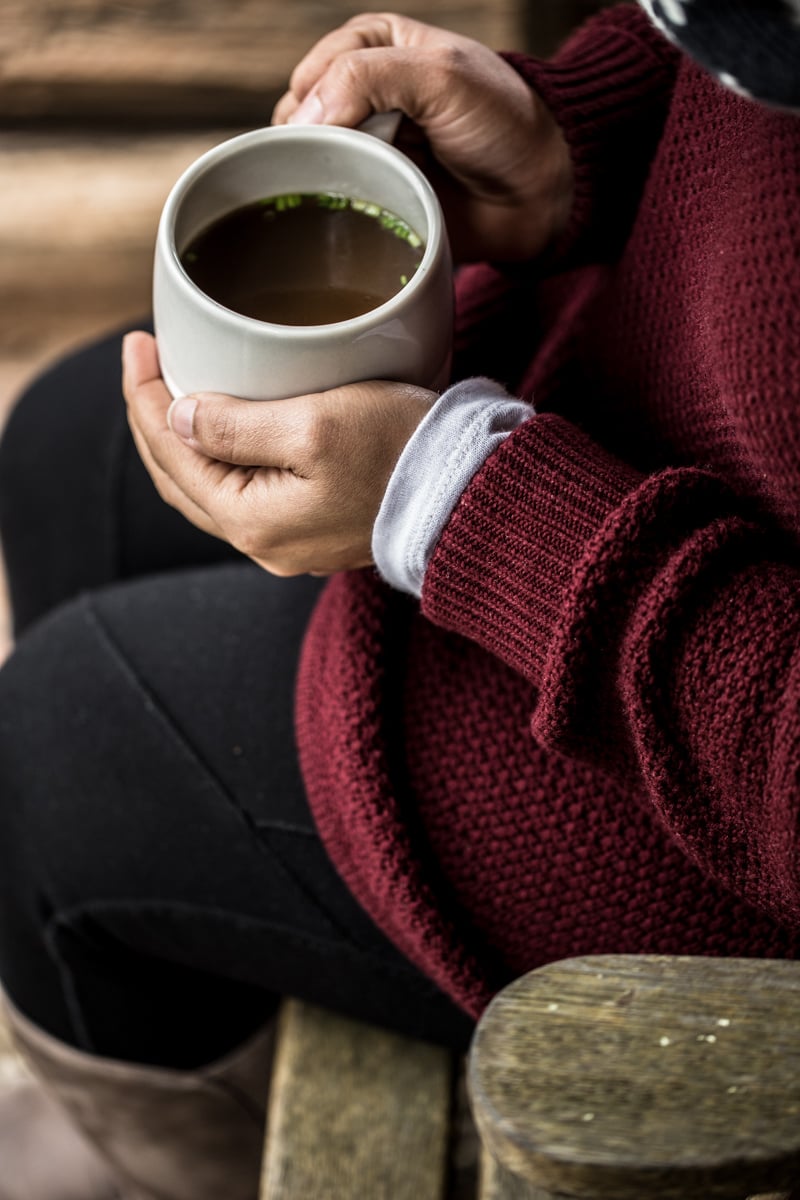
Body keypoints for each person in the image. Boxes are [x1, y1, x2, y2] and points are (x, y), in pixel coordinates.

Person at [1, 0, 799, 1196]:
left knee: (51, 753)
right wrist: (576, 141)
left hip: (714, 773)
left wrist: (462, 503)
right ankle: (178, 1015)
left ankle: (180, 1162)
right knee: (66, 449)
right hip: (637, 420)